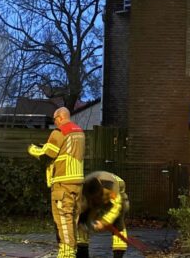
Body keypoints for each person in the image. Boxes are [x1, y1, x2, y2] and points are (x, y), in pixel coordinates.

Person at [28, 107, 86, 258]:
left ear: (60, 117)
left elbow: (48, 156)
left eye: (54, 119)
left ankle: (67, 253)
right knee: (73, 218)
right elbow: (64, 151)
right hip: (77, 182)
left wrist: (33, 150)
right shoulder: (79, 131)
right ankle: (72, 250)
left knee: (63, 218)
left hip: (63, 182)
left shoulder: (59, 132)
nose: (54, 123)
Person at [76, 171, 130, 258]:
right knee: (82, 220)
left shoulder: (111, 187)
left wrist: (104, 222)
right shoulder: (83, 189)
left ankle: (118, 254)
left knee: (118, 222)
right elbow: (81, 207)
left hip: (117, 192)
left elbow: (116, 207)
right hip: (95, 192)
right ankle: (82, 252)